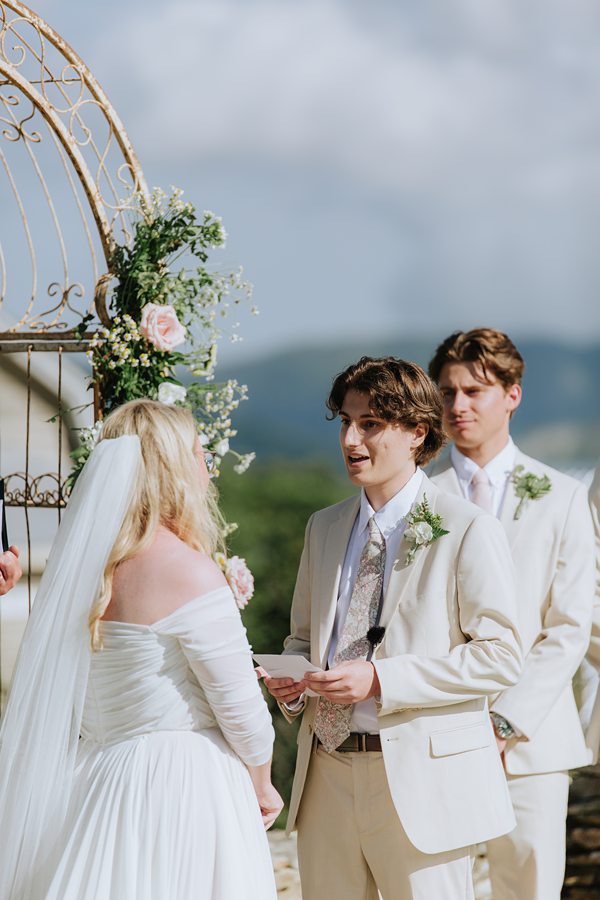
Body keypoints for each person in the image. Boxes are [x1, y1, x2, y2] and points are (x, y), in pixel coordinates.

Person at [0, 399, 281, 899]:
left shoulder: (82, 574)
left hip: (97, 782)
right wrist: (261, 781)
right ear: (172, 468)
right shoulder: (188, 571)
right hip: (183, 788)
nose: (206, 466)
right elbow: (243, 713)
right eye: (197, 453)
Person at [264, 356, 522, 900]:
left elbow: (501, 655)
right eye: (345, 422)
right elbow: (304, 641)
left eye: (371, 424)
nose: (351, 439)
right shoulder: (324, 526)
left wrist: (382, 680)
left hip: (423, 782)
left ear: (416, 433)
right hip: (326, 775)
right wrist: (293, 684)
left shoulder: (469, 527)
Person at [428, 328, 595, 900]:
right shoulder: (418, 497)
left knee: (529, 889)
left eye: (474, 390)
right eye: (447, 391)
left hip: (532, 741)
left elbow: (568, 627)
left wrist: (504, 722)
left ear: (512, 395)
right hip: (433, 736)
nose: (457, 405)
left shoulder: (562, 497)